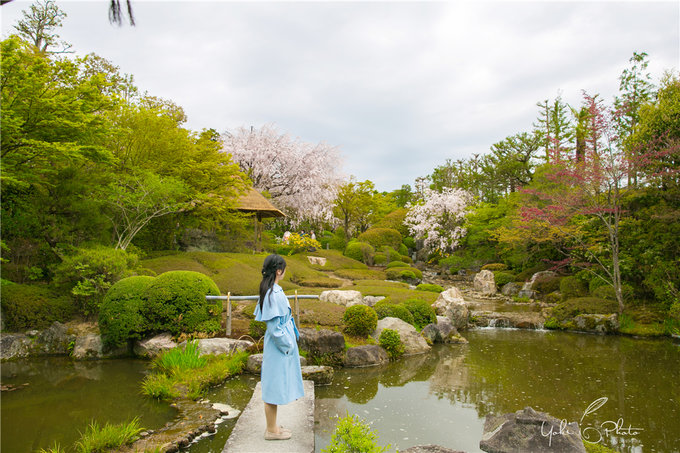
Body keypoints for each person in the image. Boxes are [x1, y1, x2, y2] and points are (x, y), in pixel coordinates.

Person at [253, 254, 304, 440]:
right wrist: (288, 345)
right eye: (284, 268)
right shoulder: (272, 294)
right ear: (279, 271)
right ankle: (271, 431)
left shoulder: (272, 290)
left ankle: (273, 426)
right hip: (278, 346)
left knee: (275, 384)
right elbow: (275, 329)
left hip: (279, 344)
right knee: (273, 386)